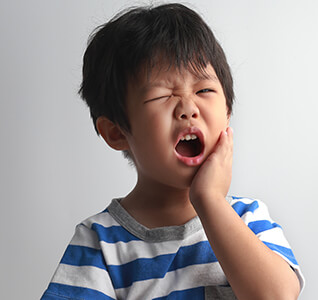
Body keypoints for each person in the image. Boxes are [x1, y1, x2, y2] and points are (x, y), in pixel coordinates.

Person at [41, 3, 304, 299]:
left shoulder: (247, 219)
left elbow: (276, 296)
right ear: (116, 132)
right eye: (162, 95)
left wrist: (210, 201)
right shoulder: (99, 242)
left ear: (227, 111)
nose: (188, 108)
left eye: (204, 90)